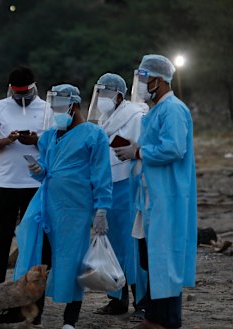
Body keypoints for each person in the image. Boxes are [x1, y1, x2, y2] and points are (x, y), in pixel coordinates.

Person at [14, 84, 113, 329]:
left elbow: (101, 173)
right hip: (46, 204)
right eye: (54, 108)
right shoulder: (49, 136)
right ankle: (34, 314)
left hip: (75, 207)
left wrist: (102, 208)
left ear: (74, 107)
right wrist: (38, 171)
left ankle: (70, 319)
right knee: (40, 258)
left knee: (72, 258)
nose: (57, 113)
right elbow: (46, 170)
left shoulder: (93, 134)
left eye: (61, 108)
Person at [114, 54, 197, 329]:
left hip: (168, 195)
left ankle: (167, 319)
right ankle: (154, 315)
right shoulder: (156, 111)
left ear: (159, 81)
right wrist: (135, 150)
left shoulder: (173, 110)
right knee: (151, 257)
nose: (140, 85)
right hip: (150, 196)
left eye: (144, 79)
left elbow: (174, 148)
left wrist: (138, 151)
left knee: (166, 258)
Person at [0, 65, 52, 286]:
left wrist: (35, 141)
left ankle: (34, 284)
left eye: (26, 93)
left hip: (36, 185)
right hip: (7, 184)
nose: (22, 98)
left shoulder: (47, 109)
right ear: (11, 89)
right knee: (1, 238)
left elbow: (56, 147)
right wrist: (7, 140)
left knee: (37, 238)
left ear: (34, 88)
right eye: (18, 93)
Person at [86, 73, 148, 320]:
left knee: (132, 246)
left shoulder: (136, 117)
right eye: (99, 93)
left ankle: (142, 302)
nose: (102, 99)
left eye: (106, 94)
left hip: (128, 186)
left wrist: (131, 152)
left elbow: (142, 150)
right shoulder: (104, 119)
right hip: (107, 187)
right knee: (112, 245)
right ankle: (116, 299)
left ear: (120, 96)